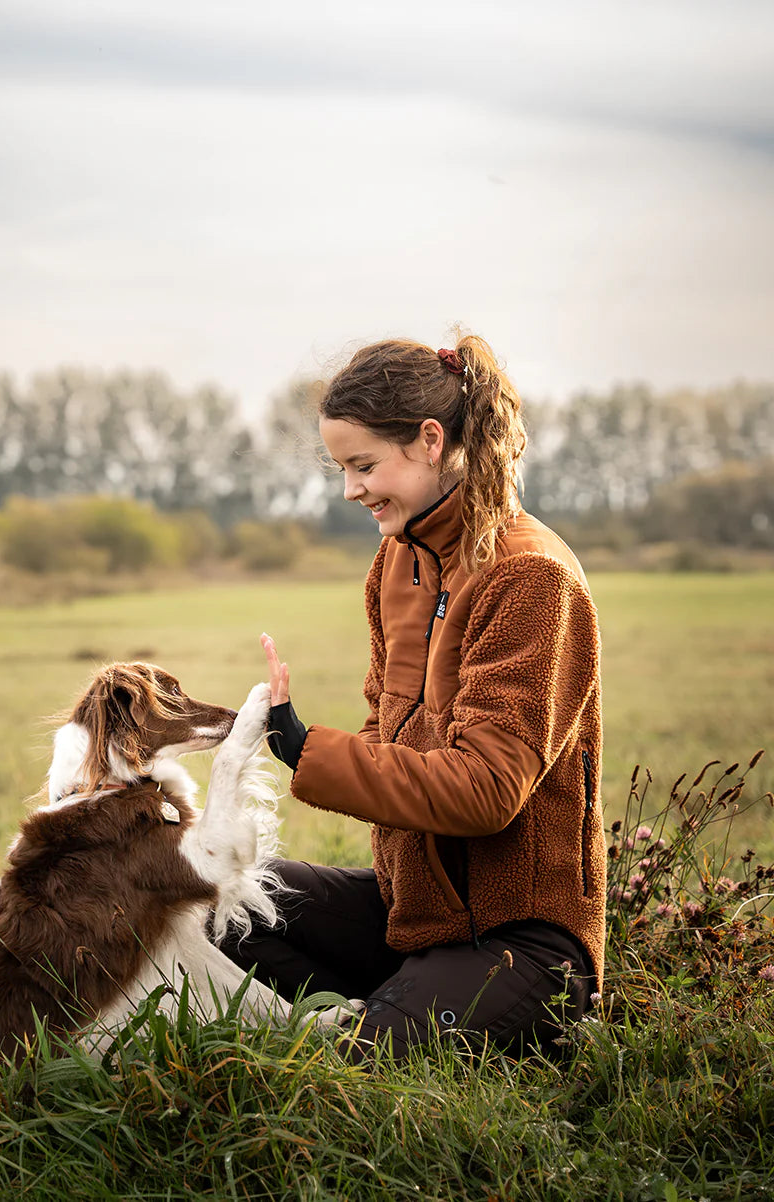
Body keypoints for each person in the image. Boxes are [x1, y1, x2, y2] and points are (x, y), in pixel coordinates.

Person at [224, 334, 606, 1061]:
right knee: (223, 899)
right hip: (413, 913)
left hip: (522, 939)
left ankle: (396, 1019)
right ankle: (388, 1007)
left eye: (364, 466)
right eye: (343, 468)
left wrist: (311, 751)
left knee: (348, 1069)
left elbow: (488, 790)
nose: (351, 489)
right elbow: (388, 747)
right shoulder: (396, 566)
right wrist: (284, 735)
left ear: (431, 441)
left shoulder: (532, 579)